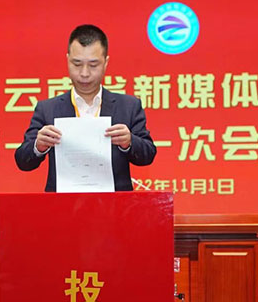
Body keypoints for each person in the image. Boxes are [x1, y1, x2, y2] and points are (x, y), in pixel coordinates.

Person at [14, 24, 156, 190]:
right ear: (67, 60)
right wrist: (38, 146)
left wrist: (129, 141)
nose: (84, 73)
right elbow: (23, 161)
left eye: (93, 65)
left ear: (106, 62)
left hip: (115, 204)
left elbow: (148, 155)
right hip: (64, 204)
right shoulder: (47, 109)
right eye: (77, 64)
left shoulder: (128, 106)